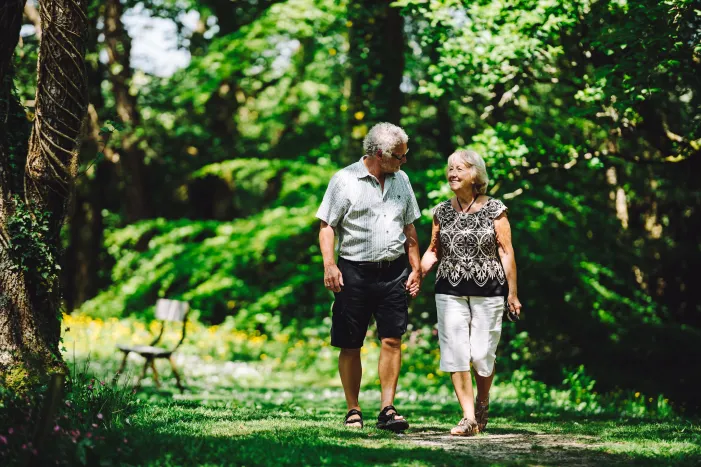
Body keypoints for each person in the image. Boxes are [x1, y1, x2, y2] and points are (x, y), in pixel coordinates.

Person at [316, 122, 422, 432]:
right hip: (354, 272)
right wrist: (329, 265)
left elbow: (410, 228)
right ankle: (353, 409)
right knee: (350, 343)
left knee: (392, 339)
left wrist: (415, 269)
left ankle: (387, 409)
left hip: (393, 271)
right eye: (400, 156)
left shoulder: (402, 180)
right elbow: (326, 226)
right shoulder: (344, 180)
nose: (404, 162)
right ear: (380, 153)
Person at [420, 149, 521, 436]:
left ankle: (482, 401)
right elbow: (433, 251)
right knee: (455, 351)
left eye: (459, 169)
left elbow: (506, 251)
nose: (452, 174)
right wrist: (416, 275)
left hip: (489, 290)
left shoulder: (495, 209)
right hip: (449, 289)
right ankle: (468, 418)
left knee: (481, 353)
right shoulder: (441, 210)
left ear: (475, 173)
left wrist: (512, 293)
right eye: (449, 168)